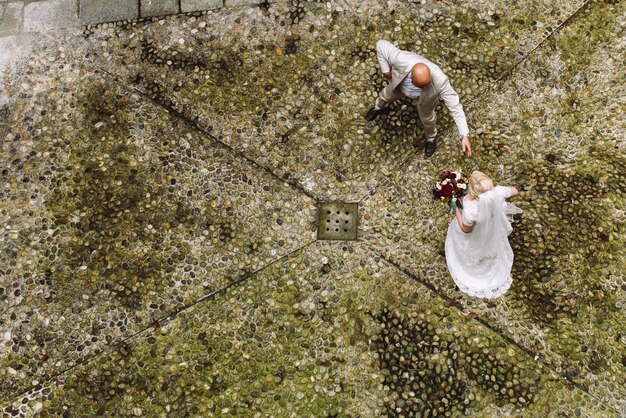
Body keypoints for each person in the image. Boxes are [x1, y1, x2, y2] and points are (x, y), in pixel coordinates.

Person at [365, 40, 471, 158]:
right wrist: (386, 72)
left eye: (426, 84)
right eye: (420, 85)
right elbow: (380, 44)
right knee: (384, 95)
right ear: (411, 78)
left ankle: (431, 139)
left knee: (428, 120)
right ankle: (377, 107)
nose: (424, 88)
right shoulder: (401, 58)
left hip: (425, 101)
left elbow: (455, 106)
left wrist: (464, 135)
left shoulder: (441, 81)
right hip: (399, 87)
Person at [445, 171, 521, 298]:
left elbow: (466, 229)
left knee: (459, 232)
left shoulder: (471, 210)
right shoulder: (498, 192)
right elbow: (514, 190)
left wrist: (456, 209)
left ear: (473, 191)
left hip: (476, 232)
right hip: (493, 228)